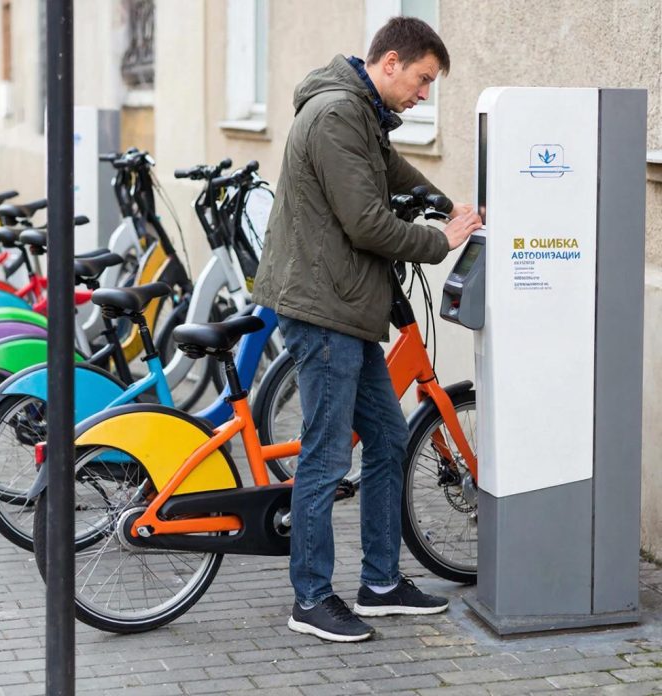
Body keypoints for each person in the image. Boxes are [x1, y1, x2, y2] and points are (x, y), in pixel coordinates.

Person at [252, 16, 483, 643]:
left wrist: (447, 204)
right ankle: (311, 597)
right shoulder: (336, 114)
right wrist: (440, 241)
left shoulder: (360, 112)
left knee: (385, 439)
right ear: (390, 63)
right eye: (422, 79)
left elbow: (391, 170)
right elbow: (365, 223)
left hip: (347, 305)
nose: (424, 95)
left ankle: (380, 583)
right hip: (324, 307)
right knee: (326, 454)